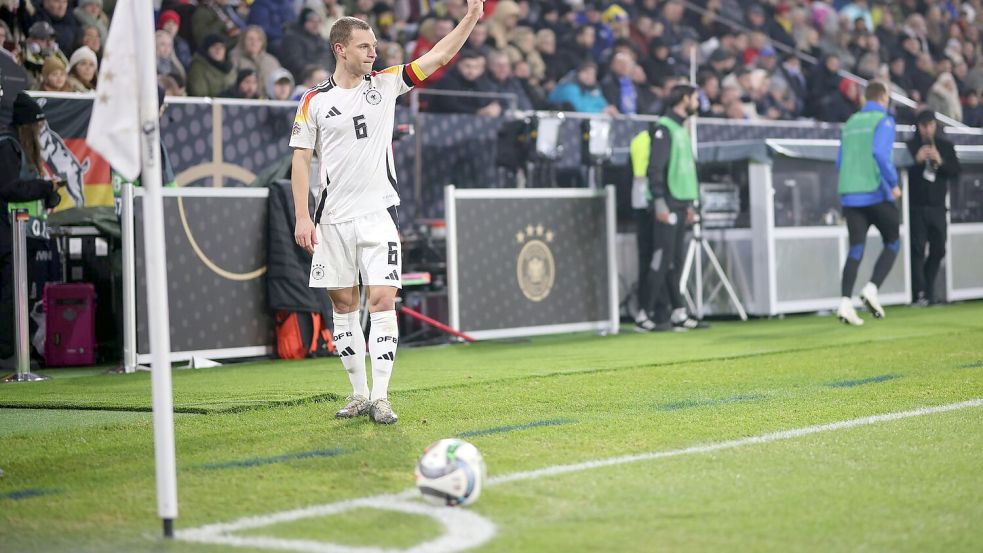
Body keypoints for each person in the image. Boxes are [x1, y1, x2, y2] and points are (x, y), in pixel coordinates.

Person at [290, 3, 484, 425]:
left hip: (378, 216)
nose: (373, 53)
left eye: (374, 46)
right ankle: (358, 394)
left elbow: (439, 57)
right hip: (332, 220)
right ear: (340, 49)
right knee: (343, 307)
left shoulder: (387, 85)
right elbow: (302, 160)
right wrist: (303, 217)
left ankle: (381, 397)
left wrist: (469, 19)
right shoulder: (314, 102)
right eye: (364, 46)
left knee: (382, 301)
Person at [632, 84, 704, 331]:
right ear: (684, 99)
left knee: (675, 261)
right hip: (668, 205)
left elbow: (684, 172)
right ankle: (643, 313)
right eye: (695, 97)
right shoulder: (664, 129)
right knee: (661, 260)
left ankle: (678, 312)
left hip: (681, 204)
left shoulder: (680, 130)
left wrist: (690, 204)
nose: (698, 102)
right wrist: (660, 202)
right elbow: (655, 169)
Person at [1, 92, 63, 368]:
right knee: (10, 297)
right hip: (11, 234)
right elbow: (9, 189)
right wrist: (44, 187)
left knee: (23, 297)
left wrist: (51, 192)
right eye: (36, 125)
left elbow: (34, 191)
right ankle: (10, 353)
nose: (40, 130)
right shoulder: (9, 147)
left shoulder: (27, 151)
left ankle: (21, 349)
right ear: (26, 125)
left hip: (32, 236)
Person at [835, 81, 901, 326]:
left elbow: (839, 162)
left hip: (850, 195)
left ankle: (844, 302)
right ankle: (871, 289)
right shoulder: (884, 120)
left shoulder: (851, 122)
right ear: (883, 97)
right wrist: (893, 183)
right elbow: (881, 154)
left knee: (856, 248)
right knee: (893, 242)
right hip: (874, 192)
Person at [906, 110, 960, 306]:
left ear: (935, 125)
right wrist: (915, 161)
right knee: (917, 250)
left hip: (938, 207)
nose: (927, 129)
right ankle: (918, 293)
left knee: (938, 249)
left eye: (929, 124)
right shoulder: (910, 147)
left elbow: (955, 171)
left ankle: (929, 288)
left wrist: (940, 161)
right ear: (918, 127)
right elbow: (902, 172)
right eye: (923, 125)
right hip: (916, 207)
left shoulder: (945, 146)